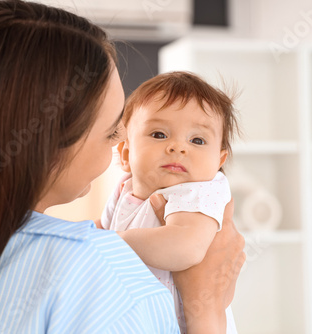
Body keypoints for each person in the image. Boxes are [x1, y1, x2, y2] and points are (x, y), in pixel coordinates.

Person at [0, 1, 246, 334]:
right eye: (111, 132)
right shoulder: (99, 271)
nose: (118, 143)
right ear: (48, 146)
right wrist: (206, 311)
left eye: (198, 140)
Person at [99, 72, 240, 333]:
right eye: (159, 134)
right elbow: (100, 228)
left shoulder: (197, 192)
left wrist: (109, 244)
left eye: (197, 140)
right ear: (127, 153)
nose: (177, 147)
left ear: (218, 162)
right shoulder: (124, 189)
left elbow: (186, 247)